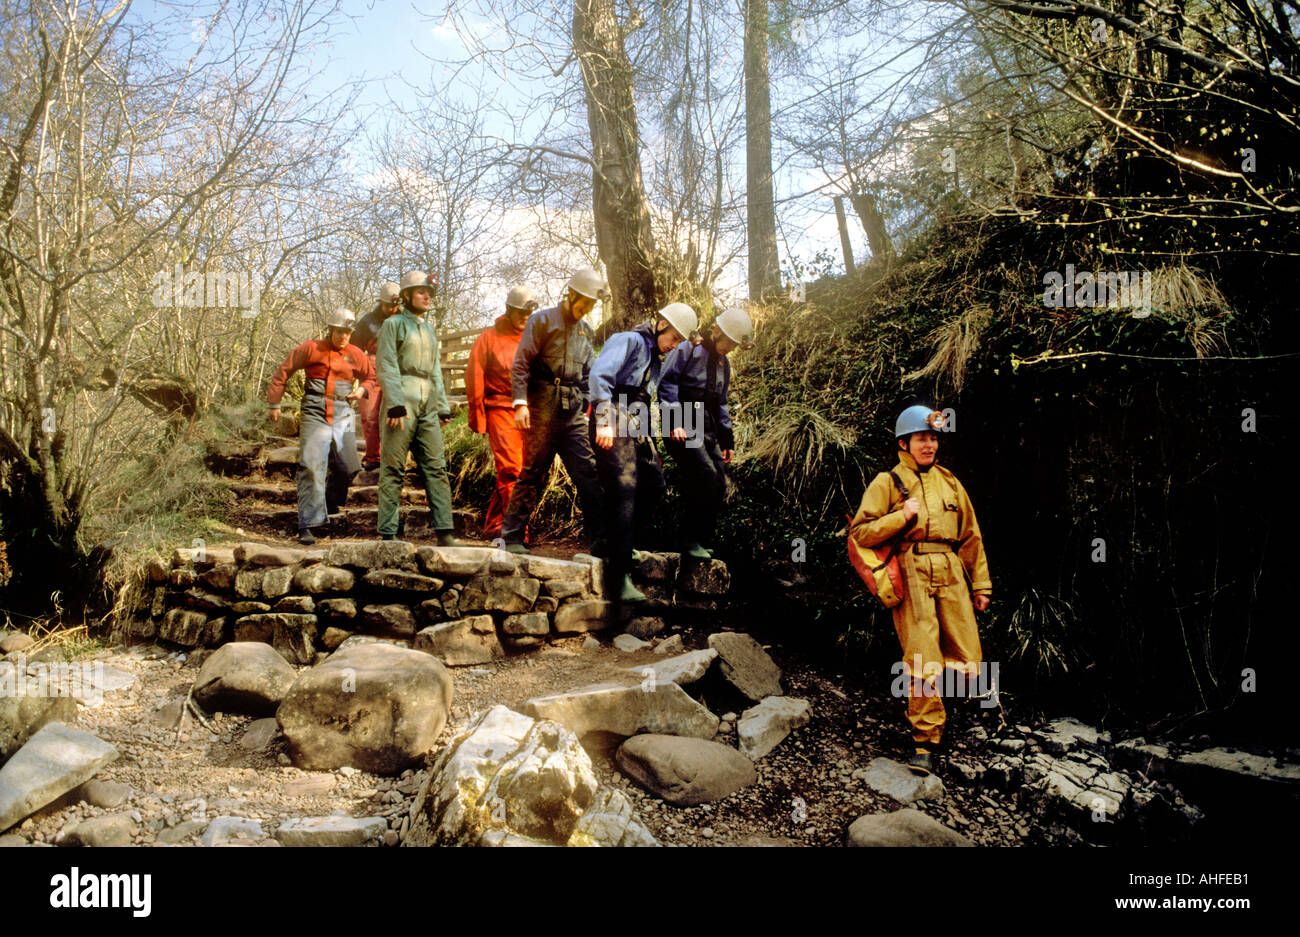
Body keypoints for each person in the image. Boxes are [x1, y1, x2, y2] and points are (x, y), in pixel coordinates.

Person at [849, 405, 992, 774]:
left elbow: (971, 536)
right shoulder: (887, 482)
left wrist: (981, 585)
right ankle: (925, 741)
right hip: (911, 570)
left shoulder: (951, 482)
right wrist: (902, 515)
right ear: (904, 443)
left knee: (969, 655)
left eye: (933, 438)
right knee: (922, 657)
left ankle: (947, 715)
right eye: (921, 438)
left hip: (952, 570)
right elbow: (861, 533)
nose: (928, 444)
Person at [589, 302, 697, 601]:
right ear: (661, 324)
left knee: (654, 485)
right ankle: (618, 575)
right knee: (624, 487)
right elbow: (599, 378)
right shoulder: (629, 340)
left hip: (636, 422)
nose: (674, 346)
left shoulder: (659, 357)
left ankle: (612, 543)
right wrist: (603, 421)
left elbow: (651, 396)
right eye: (674, 338)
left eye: (679, 342)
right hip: (611, 417)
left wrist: (650, 437)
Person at [498, 267, 608, 556]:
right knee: (533, 472)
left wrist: (586, 406)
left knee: (588, 473)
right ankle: (510, 538)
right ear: (571, 295)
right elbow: (521, 364)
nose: (586, 309)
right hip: (541, 408)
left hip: (572, 414)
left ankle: (601, 540)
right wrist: (520, 403)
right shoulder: (542, 321)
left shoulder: (586, 331)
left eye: (591, 305)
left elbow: (588, 374)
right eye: (584, 303)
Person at [266, 308, 378, 545]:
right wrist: (274, 403)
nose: (343, 337)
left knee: (349, 466)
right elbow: (283, 372)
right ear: (330, 329)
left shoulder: (356, 354)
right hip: (315, 410)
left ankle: (328, 501)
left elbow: (371, 378)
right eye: (339, 332)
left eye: (348, 333)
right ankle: (308, 523)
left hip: (343, 411)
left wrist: (361, 390)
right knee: (312, 465)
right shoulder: (311, 348)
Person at [375, 270, 462, 546]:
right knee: (393, 468)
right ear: (406, 295)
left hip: (427, 403)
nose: (427, 296)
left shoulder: (428, 330)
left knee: (436, 466)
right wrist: (395, 404)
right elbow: (386, 364)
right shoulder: (393, 325)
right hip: (401, 400)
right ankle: (388, 533)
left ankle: (445, 532)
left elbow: (436, 370)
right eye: (421, 291)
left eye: (430, 293)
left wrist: (442, 407)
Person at [659, 306, 752, 560]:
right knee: (704, 475)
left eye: (734, 346)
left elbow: (720, 403)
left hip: (706, 427)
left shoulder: (725, 363)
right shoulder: (688, 348)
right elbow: (666, 383)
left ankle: (700, 539)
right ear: (717, 331)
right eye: (729, 343)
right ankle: (688, 541)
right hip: (682, 422)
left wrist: (726, 440)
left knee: (719, 481)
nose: (730, 348)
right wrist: (673, 421)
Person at [466, 286, 537, 540]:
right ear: (508, 311)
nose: (525, 317)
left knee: (523, 470)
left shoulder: (534, 337)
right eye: (520, 312)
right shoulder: (488, 338)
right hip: (499, 409)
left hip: (528, 412)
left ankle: (496, 524)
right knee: (511, 469)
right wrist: (478, 418)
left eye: (529, 313)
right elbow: (474, 377)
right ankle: (516, 531)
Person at [351, 281, 401, 471]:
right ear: (381, 302)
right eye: (388, 305)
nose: (391, 309)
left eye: (395, 305)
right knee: (370, 415)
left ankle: (395, 457)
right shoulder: (367, 321)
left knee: (396, 414)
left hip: (396, 370)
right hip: (371, 370)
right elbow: (354, 351)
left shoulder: (403, 320)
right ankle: (373, 457)